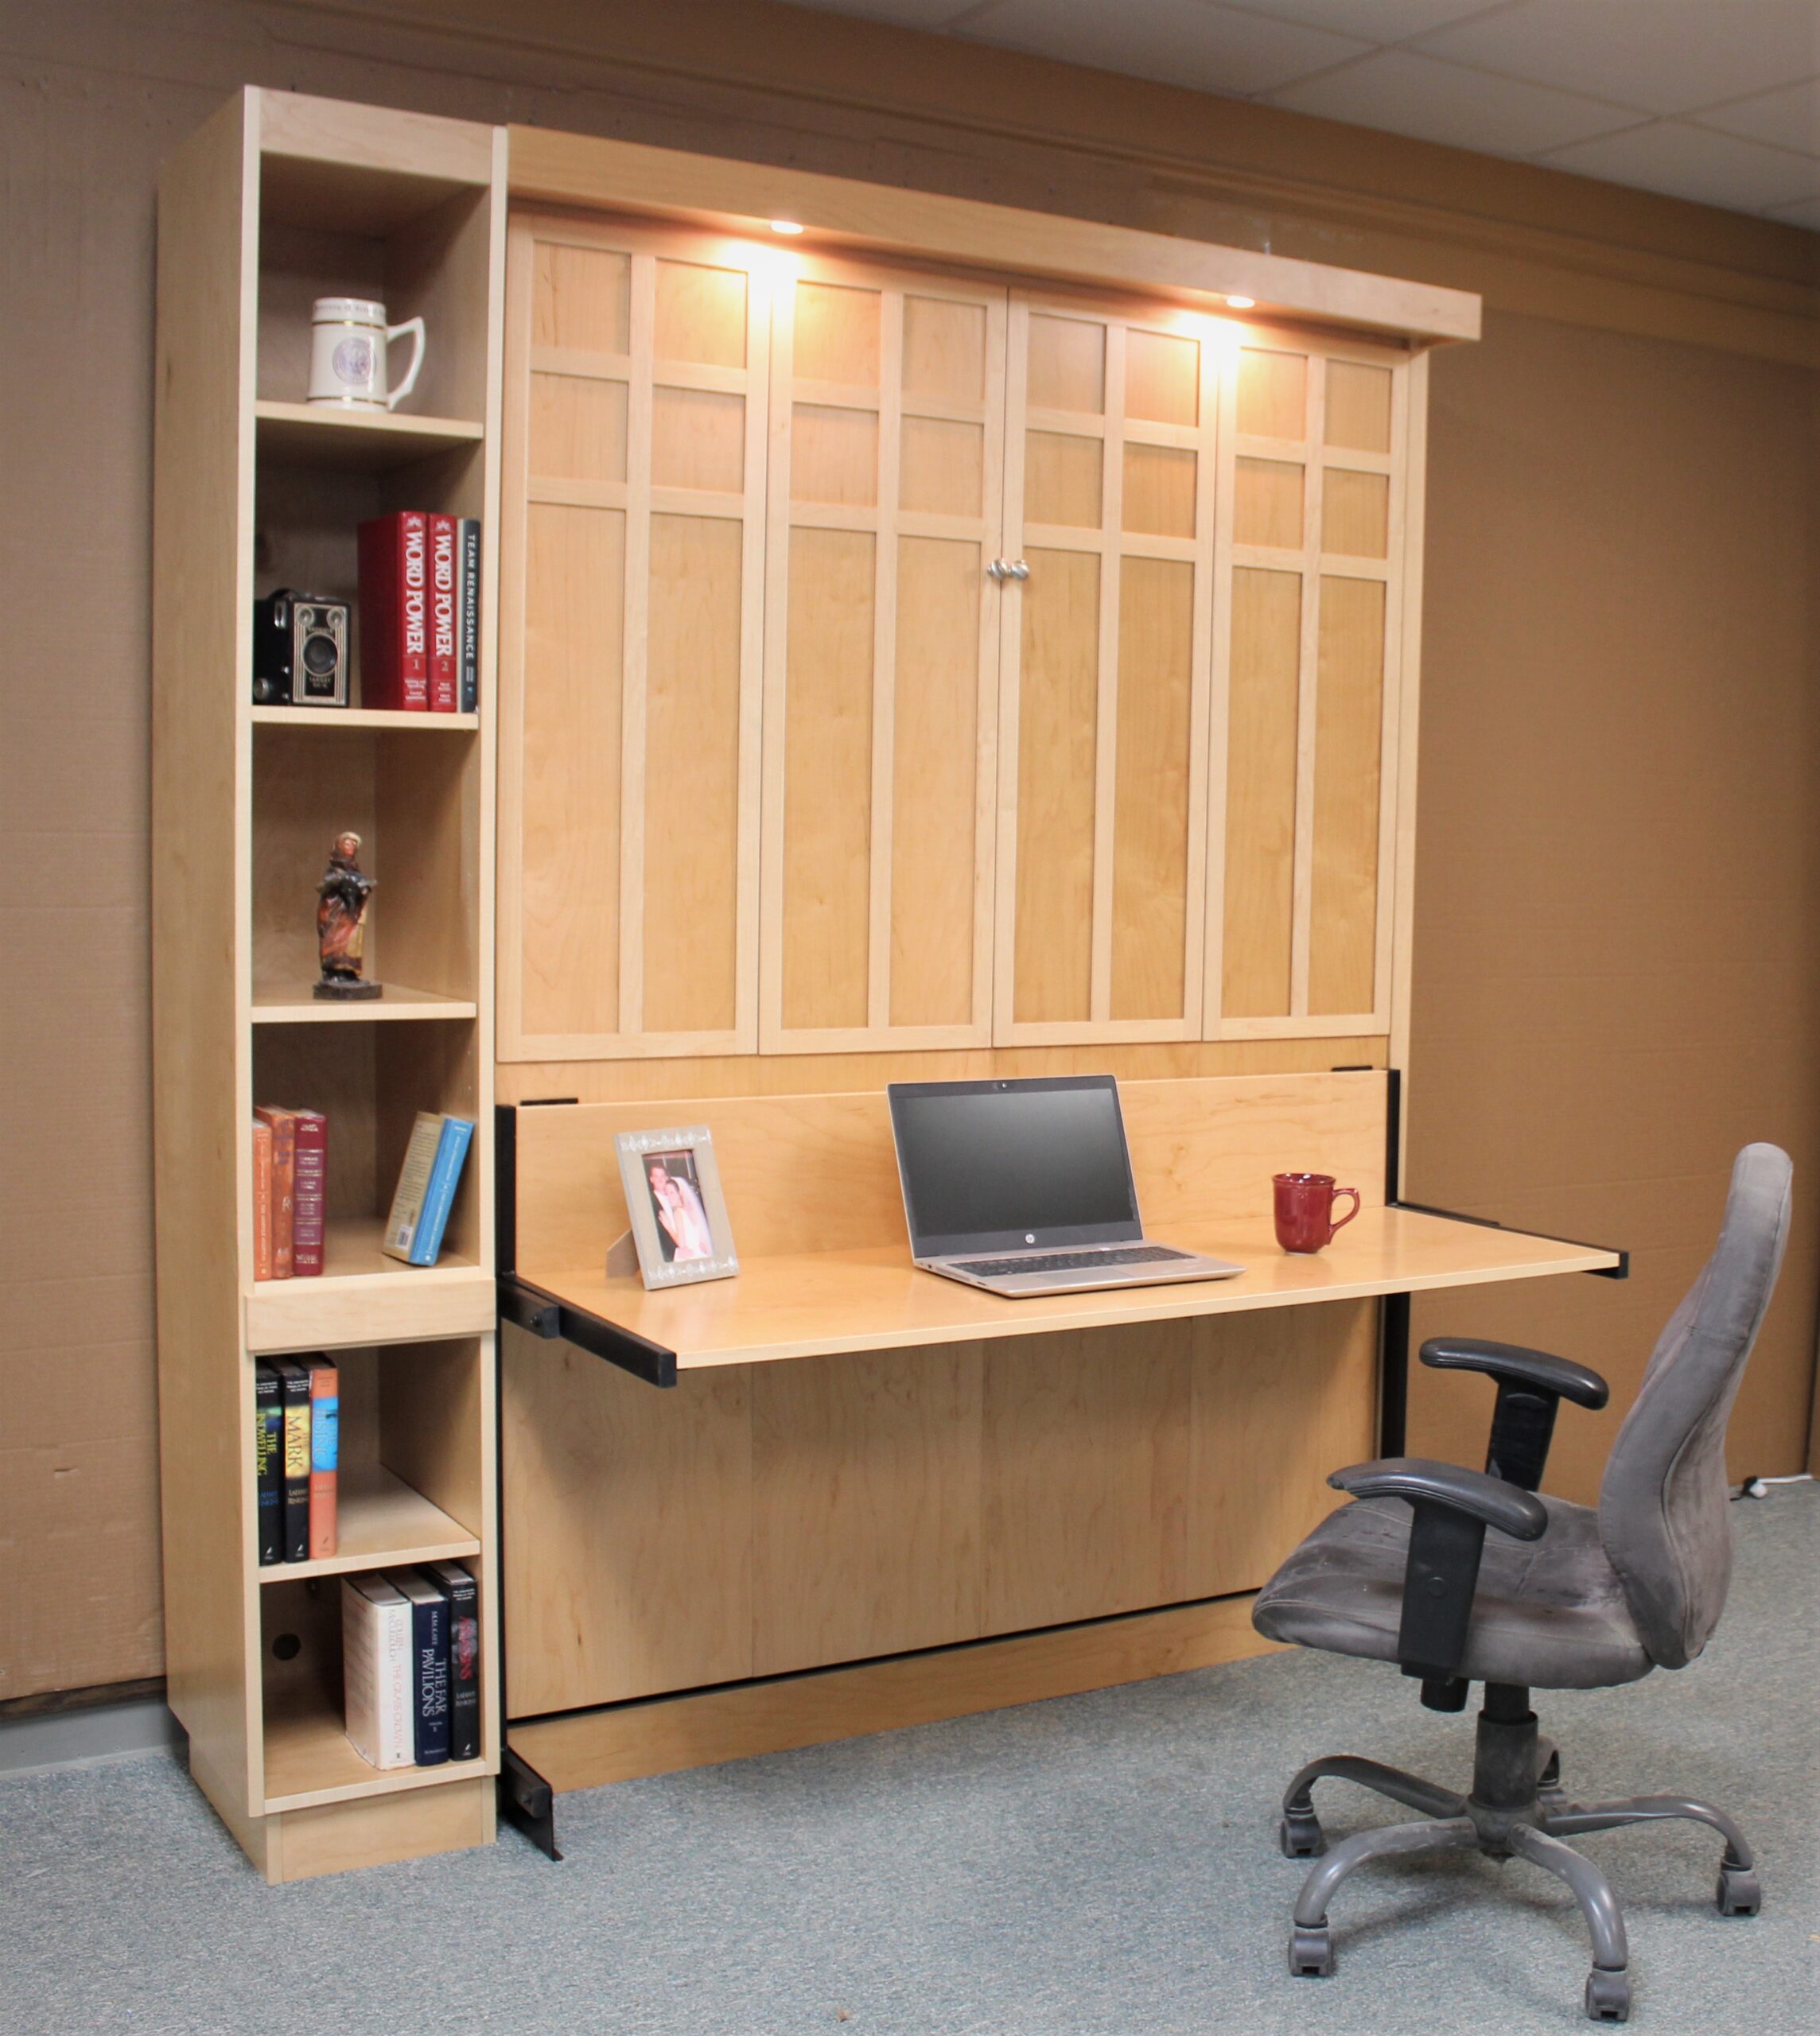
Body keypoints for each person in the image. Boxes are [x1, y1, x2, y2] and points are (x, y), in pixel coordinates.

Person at [647, 1160, 713, 1261]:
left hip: (691, 1253)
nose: (660, 1180)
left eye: (662, 1176)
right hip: (670, 1257)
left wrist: (700, 1242)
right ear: (651, 1179)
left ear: (667, 1178)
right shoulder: (649, 1203)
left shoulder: (678, 1204)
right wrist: (675, 1252)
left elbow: (693, 1226)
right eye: (656, 1176)